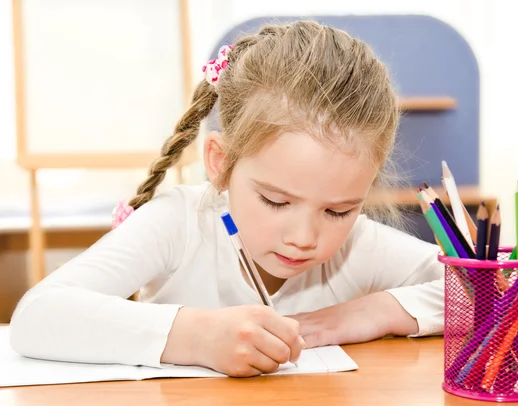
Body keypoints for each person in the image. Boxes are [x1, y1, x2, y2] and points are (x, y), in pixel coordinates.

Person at [9, 20, 443, 378]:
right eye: (275, 200)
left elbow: (488, 290)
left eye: (338, 210)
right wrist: (196, 335)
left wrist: (374, 312)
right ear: (220, 162)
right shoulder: (179, 222)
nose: (304, 237)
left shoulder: (357, 246)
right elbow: (37, 315)